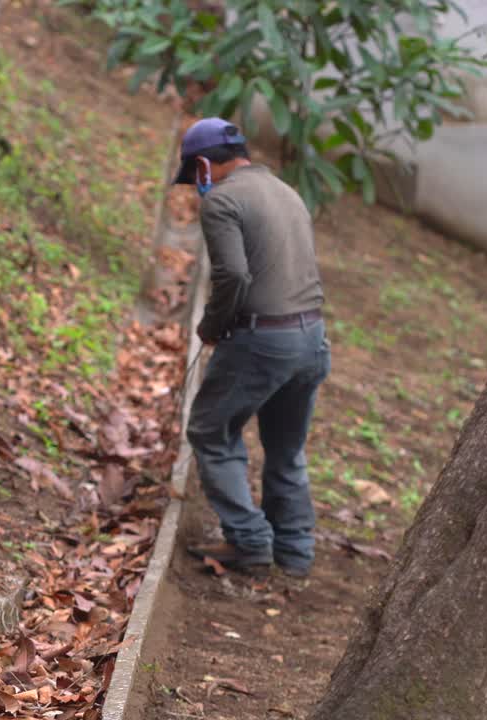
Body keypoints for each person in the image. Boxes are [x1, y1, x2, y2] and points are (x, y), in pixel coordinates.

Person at [174, 117, 330, 578]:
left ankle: (249, 541)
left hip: (263, 338)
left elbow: (234, 275)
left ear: (203, 165)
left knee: (210, 430)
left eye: (193, 176)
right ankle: (296, 550)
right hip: (312, 338)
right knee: (286, 448)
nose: (194, 186)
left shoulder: (222, 201)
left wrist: (211, 326)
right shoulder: (288, 192)